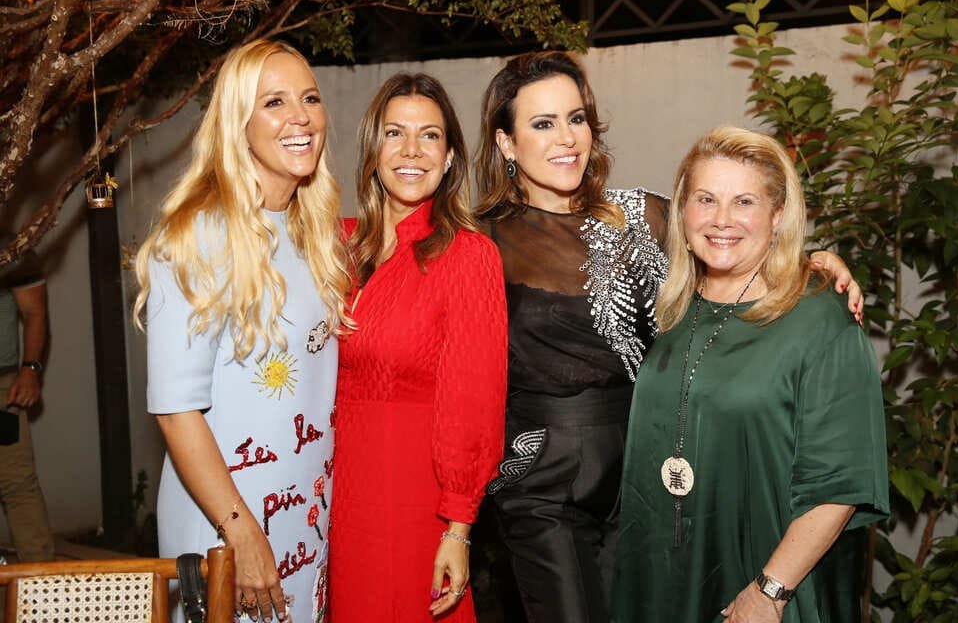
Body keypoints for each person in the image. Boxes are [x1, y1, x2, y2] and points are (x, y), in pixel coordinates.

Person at [474, 52, 865, 623]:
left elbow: (729, 246)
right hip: (543, 481)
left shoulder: (642, 217)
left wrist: (813, 263)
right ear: (506, 143)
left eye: (576, 118)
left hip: (650, 466)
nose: (566, 138)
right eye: (542, 123)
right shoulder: (479, 242)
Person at [611, 126, 889, 623]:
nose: (721, 219)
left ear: (777, 215)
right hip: (661, 576)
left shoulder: (820, 317)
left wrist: (769, 591)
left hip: (766, 587)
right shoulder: (671, 306)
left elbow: (840, 483)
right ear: (682, 210)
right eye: (705, 199)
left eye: (744, 202)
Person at [134, 39, 351, 623]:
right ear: (238, 123)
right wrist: (242, 534)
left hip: (303, 518)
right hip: (226, 529)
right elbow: (176, 411)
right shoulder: (198, 236)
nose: (300, 117)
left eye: (309, 98)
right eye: (274, 102)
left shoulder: (314, 235)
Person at [328, 73, 507, 622]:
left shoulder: (467, 256)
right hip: (329, 500)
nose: (411, 150)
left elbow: (474, 403)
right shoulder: (334, 245)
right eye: (394, 133)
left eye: (429, 135)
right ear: (372, 150)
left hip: (412, 504)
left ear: (449, 156)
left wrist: (458, 528)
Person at [0, 238, 55, 564]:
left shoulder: (13, 248)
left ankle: (40, 582)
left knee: (16, 482)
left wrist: (30, 370)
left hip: (2, 390)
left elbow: (35, 311)